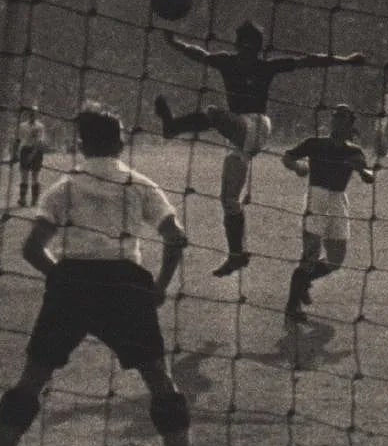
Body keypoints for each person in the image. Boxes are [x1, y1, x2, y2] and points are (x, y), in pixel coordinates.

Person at [0, 102, 207, 446]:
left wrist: (62, 279)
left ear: (81, 144)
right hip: (125, 285)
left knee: (33, 379)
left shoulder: (64, 187)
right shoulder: (140, 184)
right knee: (158, 378)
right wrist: (161, 286)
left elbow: (32, 249)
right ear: (120, 142)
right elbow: (176, 236)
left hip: (74, 282)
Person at [154, 21, 367, 277]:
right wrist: (173, 42)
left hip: (256, 125)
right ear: (237, 45)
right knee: (229, 200)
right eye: (242, 45)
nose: (245, 50)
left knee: (213, 113)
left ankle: (173, 127)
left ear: (257, 47)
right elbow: (198, 54)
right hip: (238, 136)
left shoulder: (264, 66)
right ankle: (237, 254)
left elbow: (308, 61)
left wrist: (345, 60)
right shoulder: (228, 61)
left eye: (250, 46)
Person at [281, 104, 374, 323]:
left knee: (336, 259)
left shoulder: (354, 151)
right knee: (310, 254)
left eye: (343, 118)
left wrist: (363, 170)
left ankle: (304, 282)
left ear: (350, 124)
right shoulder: (315, 143)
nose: (338, 121)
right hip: (317, 197)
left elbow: (368, 174)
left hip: (339, 201)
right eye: (336, 117)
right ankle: (292, 306)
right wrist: (297, 167)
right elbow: (288, 156)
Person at [12, 105, 48, 207]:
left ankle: (34, 200)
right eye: (31, 113)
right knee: (24, 176)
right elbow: (18, 140)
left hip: (36, 152)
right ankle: (22, 199)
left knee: (35, 176)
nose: (32, 115)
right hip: (25, 150)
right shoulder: (22, 126)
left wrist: (33, 154)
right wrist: (14, 153)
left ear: (37, 114)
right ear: (28, 114)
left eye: (34, 113)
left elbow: (40, 142)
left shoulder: (40, 127)